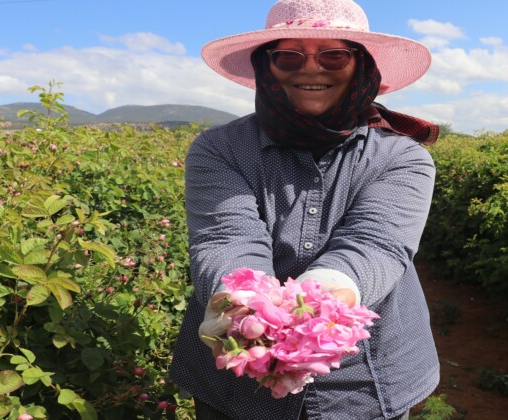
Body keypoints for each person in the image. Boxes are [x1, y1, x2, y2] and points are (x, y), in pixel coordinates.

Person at [169, 0, 440, 418]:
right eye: (289, 56)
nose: (311, 68)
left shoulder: (402, 157)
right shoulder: (219, 149)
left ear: (361, 65)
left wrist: (324, 302)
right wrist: (243, 307)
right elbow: (228, 236)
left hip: (364, 383)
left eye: (334, 54)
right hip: (237, 380)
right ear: (267, 67)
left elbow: (375, 243)